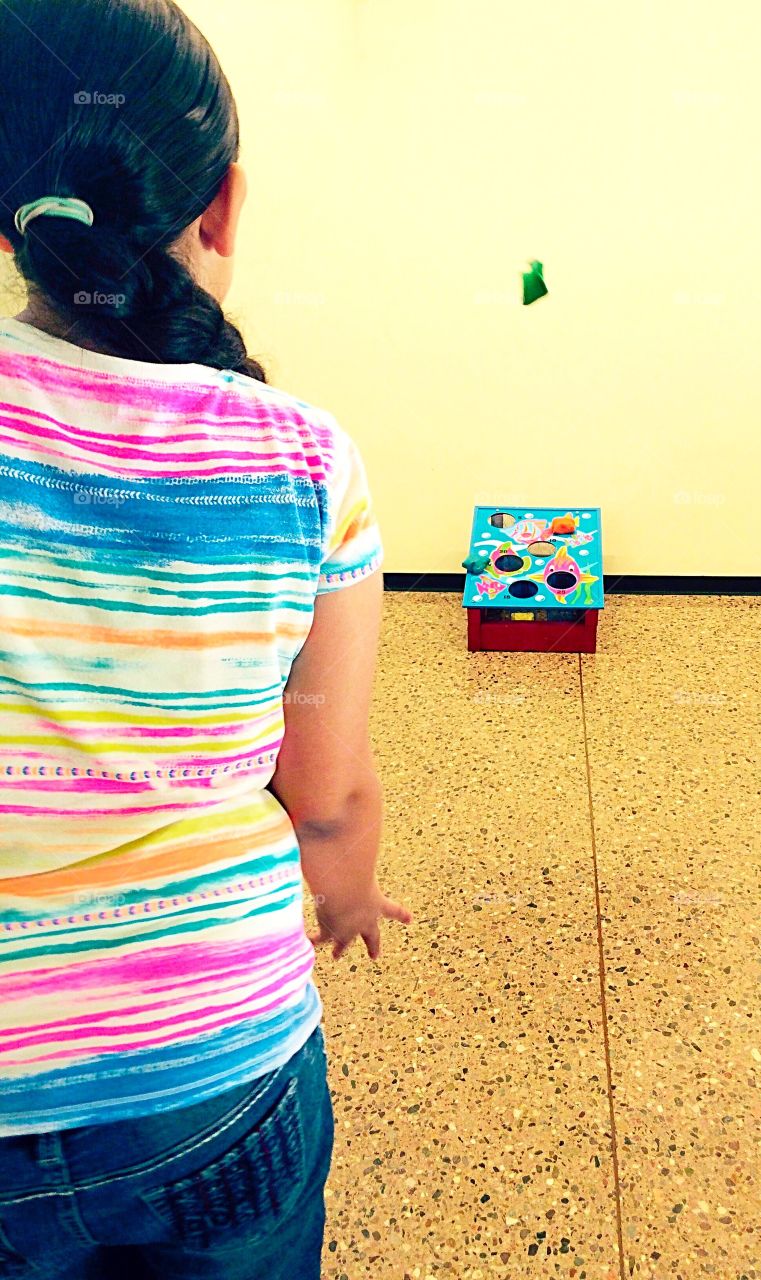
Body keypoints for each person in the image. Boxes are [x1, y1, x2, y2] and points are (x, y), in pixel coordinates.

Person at [0, 1, 411, 1276]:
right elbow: (326, 787)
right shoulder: (303, 463)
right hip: (213, 1069)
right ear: (223, 206)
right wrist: (340, 892)